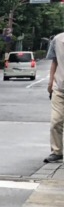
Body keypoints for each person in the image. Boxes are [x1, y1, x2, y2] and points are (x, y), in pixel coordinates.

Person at [46, 28, 64, 163]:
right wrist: (50, 82)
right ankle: (56, 151)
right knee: (55, 121)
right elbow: (54, 62)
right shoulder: (57, 40)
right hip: (60, 88)